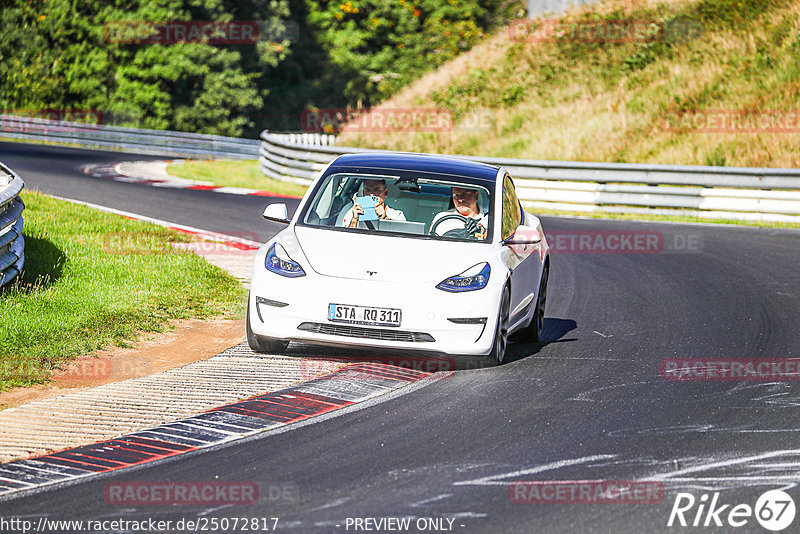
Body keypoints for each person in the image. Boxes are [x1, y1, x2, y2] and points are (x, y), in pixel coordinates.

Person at [339, 178, 406, 228]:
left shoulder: (397, 215)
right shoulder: (351, 212)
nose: (371, 195)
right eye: (368, 190)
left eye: (377, 190)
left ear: (385, 193)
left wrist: (385, 218)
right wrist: (354, 220)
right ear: (363, 193)